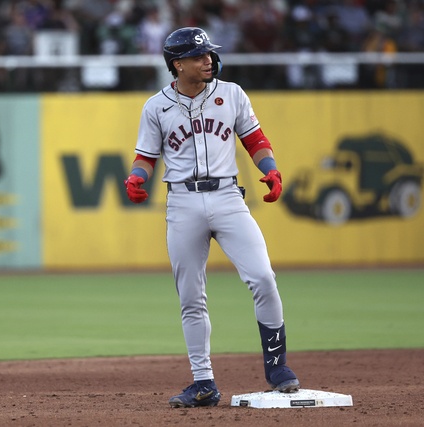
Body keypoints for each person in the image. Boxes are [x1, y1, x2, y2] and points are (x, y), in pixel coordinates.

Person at [123, 27, 300, 408]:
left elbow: (255, 140)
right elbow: (146, 157)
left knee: (264, 277)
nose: (208, 60)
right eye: (199, 56)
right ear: (177, 64)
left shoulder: (231, 93)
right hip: (183, 204)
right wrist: (137, 178)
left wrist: (271, 169)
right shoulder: (156, 106)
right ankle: (203, 383)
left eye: (208, 54)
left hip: (227, 197)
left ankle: (278, 369)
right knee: (191, 298)